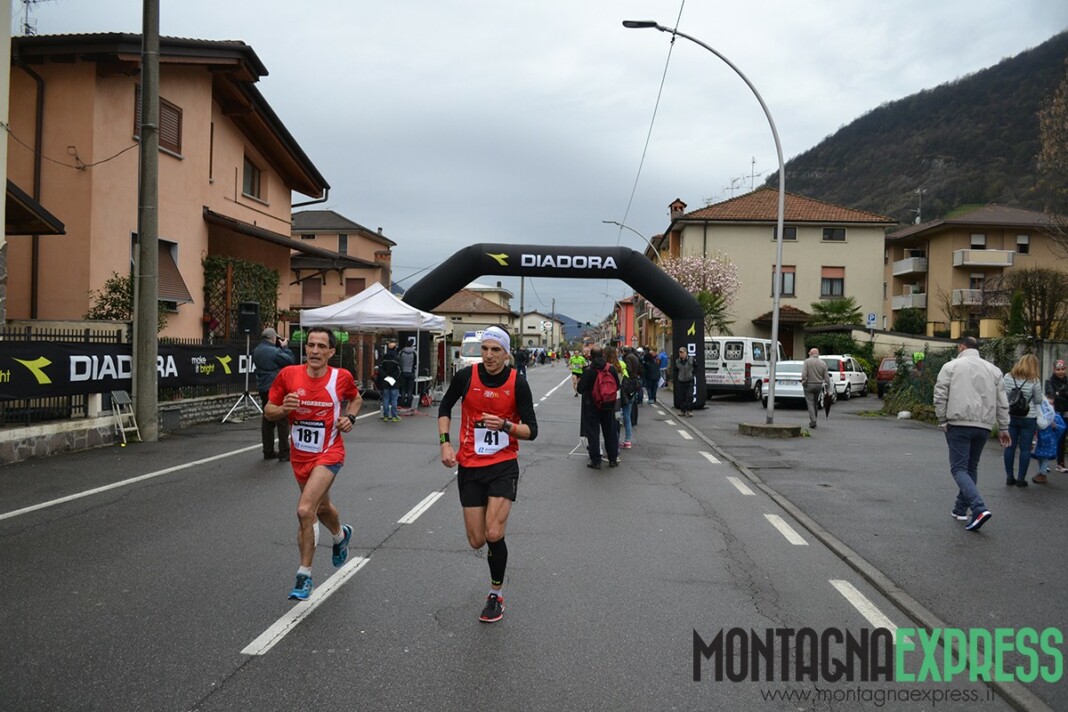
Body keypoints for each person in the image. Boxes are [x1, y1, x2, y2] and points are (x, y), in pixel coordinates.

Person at [438, 326, 538, 623]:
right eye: (485, 349)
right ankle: (495, 586)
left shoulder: (517, 383)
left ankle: (496, 594)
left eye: (496, 350)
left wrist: (505, 425)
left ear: (506, 353)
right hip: (470, 466)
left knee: (494, 533)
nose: (490, 355)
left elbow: (532, 430)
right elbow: (445, 407)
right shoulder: (465, 377)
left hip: (502, 465)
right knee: (476, 540)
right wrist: (445, 444)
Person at [265, 326, 363, 600]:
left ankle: (304, 575)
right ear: (305, 348)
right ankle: (340, 535)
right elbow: (269, 411)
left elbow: (355, 398)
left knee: (305, 509)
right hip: (300, 456)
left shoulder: (341, 377)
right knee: (321, 507)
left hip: (329, 452)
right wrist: (283, 409)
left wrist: (350, 418)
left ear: (331, 352)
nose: (315, 351)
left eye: (321, 346)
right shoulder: (288, 375)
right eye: (311, 345)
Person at [933, 336, 1010, 532]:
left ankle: (978, 508)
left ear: (961, 347)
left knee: (958, 469)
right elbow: (1002, 401)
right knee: (970, 468)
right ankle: (960, 509)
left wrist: (942, 419)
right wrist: (1003, 427)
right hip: (983, 425)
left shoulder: (951, 366)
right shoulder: (994, 370)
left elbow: (940, 394)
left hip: (958, 423)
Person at [252, 327, 296, 461]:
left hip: (262, 386)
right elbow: (290, 360)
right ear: (273, 338)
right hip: (274, 388)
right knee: (282, 419)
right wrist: (284, 347)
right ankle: (284, 452)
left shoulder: (257, 350)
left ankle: (268, 451)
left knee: (267, 418)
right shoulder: (274, 351)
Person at [1002, 353, 1043, 487]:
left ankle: (1009, 477)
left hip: (1011, 415)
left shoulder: (1008, 377)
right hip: (1028, 416)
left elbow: (1003, 394)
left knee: (1010, 447)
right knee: (1025, 449)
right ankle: (1021, 479)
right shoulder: (1034, 381)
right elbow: (1038, 400)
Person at [577, 345, 620, 468]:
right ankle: (612, 459)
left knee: (593, 433)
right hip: (608, 405)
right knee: (610, 432)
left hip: (593, 406)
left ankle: (596, 460)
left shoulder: (589, 370)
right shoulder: (610, 369)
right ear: (603, 355)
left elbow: (580, 389)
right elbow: (617, 385)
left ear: (591, 356)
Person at [1032, 392, 1065, 483]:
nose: (1050, 406)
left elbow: (1062, 427)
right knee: (1040, 457)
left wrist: (1056, 426)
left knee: (1045, 458)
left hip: (1050, 442)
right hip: (1040, 441)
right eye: (1048, 404)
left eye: (1052, 404)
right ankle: (1041, 472)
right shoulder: (1040, 416)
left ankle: (1042, 473)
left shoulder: (1056, 417)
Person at [1045, 359, 1068, 472]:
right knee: (1050, 437)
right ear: (1054, 370)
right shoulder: (1049, 381)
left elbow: (1059, 395)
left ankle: (1060, 463)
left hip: (1065, 413)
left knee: (1062, 439)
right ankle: (1045, 463)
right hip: (1054, 413)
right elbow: (1051, 396)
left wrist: (1060, 393)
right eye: (1058, 369)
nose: (1060, 372)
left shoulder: (1066, 381)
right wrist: (1062, 395)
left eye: (1062, 369)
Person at [801, 348, 830, 429]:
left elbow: (804, 375)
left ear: (811, 353)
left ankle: (813, 421)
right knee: (815, 403)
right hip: (818, 385)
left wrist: (803, 381)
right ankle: (815, 418)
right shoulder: (823, 363)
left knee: (810, 403)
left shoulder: (807, 362)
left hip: (809, 385)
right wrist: (828, 388)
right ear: (818, 354)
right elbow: (827, 378)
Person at [375, 342, 401, 422]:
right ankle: (394, 416)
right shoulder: (397, 358)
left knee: (386, 399)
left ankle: (385, 416)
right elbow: (399, 371)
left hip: (385, 381)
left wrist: (386, 376)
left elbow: (380, 370)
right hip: (394, 382)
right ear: (395, 348)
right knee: (394, 400)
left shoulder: (384, 358)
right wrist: (394, 378)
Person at [618, 348, 636, 449]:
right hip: (630, 393)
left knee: (617, 417)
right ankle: (628, 441)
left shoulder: (618, 367)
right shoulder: (625, 370)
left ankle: (616, 440)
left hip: (621, 395)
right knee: (627, 417)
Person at [672, 346, 695, 417]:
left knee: (690, 396)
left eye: (682, 352)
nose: (681, 354)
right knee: (682, 396)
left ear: (686, 353)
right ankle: (683, 411)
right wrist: (677, 377)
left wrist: (692, 374)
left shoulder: (691, 359)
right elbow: (675, 370)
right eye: (680, 352)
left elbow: (696, 367)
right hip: (681, 380)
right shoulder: (677, 361)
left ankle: (689, 410)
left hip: (689, 380)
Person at [623, 346, 642, 428]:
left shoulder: (628, 358)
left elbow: (629, 369)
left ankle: (631, 419)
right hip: (635, 379)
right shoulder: (634, 356)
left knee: (630, 402)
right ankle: (634, 419)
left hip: (631, 381)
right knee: (634, 402)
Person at [398, 340, 418, 409]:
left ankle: (402, 403)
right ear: (411, 345)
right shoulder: (414, 352)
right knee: (410, 389)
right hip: (411, 372)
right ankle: (409, 403)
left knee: (403, 389)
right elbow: (416, 362)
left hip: (403, 372)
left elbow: (399, 362)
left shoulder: (401, 352)